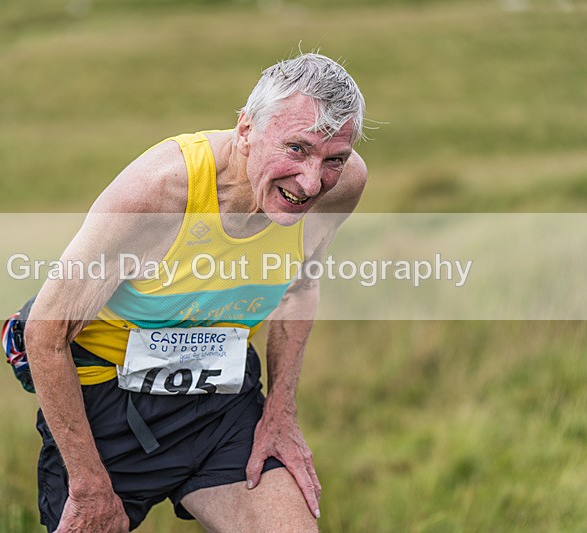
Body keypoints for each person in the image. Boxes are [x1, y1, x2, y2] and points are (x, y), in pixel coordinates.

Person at [24, 52, 367, 532]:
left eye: (333, 158)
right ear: (246, 130)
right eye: (296, 149)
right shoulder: (157, 193)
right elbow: (44, 334)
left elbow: (300, 288)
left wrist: (280, 414)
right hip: (107, 402)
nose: (312, 182)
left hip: (221, 398)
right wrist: (88, 485)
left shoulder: (342, 186)